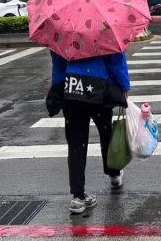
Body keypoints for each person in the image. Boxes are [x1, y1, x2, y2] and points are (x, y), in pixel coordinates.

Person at [50, 51, 131, 214]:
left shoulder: (64, 29)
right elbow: (115, 58)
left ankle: (78, 197)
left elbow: (58, 62)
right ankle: (114, 173)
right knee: (106, 131)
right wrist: (124, 85)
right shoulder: (103, 27)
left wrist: (58, 88)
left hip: (72, 90)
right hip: (99, 88)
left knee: (76, 143)